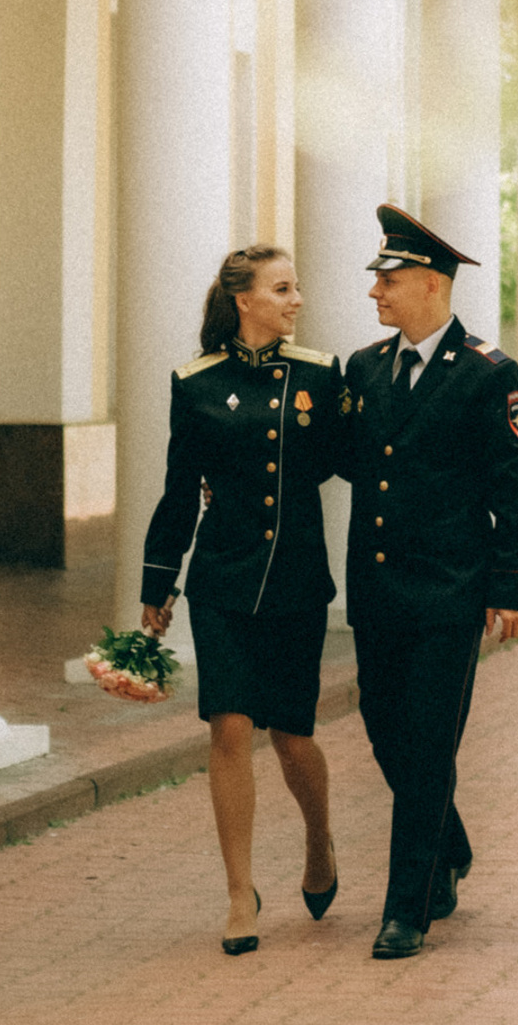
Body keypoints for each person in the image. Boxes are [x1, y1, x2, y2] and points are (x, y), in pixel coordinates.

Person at [341, 203, 518, 960]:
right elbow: (337, 455)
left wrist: (512, 587)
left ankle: (409, 908)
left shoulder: (488, 375)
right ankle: (448, 844)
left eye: (387, 280)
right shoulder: (365, 370)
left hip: (450, 594)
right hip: (379, 593)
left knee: (427, 748)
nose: (375, 294)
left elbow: (512, 486)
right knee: (387, 733)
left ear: (429, 282)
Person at [140, 244, 347, 955]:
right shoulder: (195, 385)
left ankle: (319, 841)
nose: (297, 300)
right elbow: (177, 491)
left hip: (295, 584)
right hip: (223, 581)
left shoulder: (321, 375)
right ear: (244, 300)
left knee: (292, 736)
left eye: (297, 287)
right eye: (283, 289)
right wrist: (156, 585)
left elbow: (355, 459)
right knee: (228, 727)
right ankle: (239, 893)